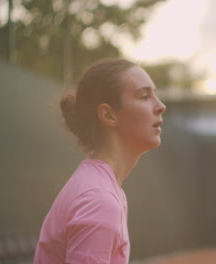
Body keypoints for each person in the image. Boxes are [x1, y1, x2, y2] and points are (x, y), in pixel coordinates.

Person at [33, 58, 166, 264]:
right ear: (108, 114)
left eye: (155, 95)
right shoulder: (99, 200)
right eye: (144, 96)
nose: (160, 106)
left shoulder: (105, 190)